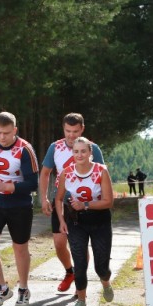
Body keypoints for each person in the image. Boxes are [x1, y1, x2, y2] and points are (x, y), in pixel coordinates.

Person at [0, 112, 39, 306]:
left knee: (20, 248)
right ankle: (1, 288)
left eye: (6, 133)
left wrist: (9, 187)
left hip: (19, 204)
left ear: (15, 130)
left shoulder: (25, 149)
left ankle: (23, 288)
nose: (1, 137)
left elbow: (33, 183)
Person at [39, 113, 105, 295]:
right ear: (63, 129)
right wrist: (43, 198)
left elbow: (101, 175)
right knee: (59, 243)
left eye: (75, 131)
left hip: (85, 202)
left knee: (80, 245)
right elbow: (45, 173)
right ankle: (70, 272)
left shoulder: (93, 149)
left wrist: (96, 203)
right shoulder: (55, 147)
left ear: (82, 129)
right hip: (62, 201)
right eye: (68, 131)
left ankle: (80, 284)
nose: (71, 135)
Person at [56, 137, 115, 306]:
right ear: (72, 153)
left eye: (83, 151)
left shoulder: (101, 171)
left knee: (100, 266)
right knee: (79, 263)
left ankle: (105, 282)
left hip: (100, 221)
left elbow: (108, 201)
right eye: (76, 151)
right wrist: (61, 220)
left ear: (90, 153)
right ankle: (81, 300)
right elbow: (58, 199)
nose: (79, 155)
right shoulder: (66, 172)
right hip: (76, 222)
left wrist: (86, 205)